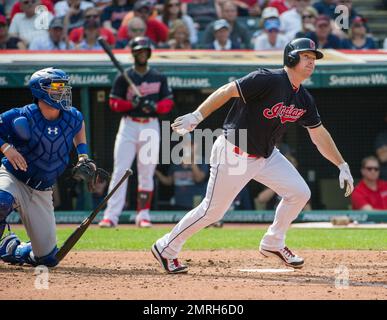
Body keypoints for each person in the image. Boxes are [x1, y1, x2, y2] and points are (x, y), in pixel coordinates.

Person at [151, 38, 354, 273]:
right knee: (212, 211)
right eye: (306, 56)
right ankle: (166, 247)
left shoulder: (304, 98)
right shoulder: (268, 78)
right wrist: (197, 116)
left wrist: (341, 164)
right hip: (234, 152)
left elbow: (318, 134)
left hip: (266, 156)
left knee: (299, 192)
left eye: (313, 58)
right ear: (291, 58)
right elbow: (228, 90)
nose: (311, 62)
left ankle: (273, 242)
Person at [0, 67, 100, 267]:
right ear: (40, 91)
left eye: (63, 86)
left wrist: (83, 155)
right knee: (2, 200)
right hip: (14, 177)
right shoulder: (22, 115)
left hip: (42, 190)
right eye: (56, 87)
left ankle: (12, 249)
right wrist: (6, 148)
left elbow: (78, 125)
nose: (62, 92)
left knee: (47, 259)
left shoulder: (72, 116)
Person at [99, 37, 174, 229]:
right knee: (120, 171)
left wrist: (154, 106)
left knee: (147, 172)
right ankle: (111, 216)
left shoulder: (158, 76)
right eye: (138, 51)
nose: (142, 54)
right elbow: (114, 103)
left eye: (145, 51)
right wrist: (132, 104)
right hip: (129, 125)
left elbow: (168, 103)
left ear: (149, 53)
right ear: (133, 54)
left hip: (150, 125)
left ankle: (143, 215)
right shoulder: (124, 76)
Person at [155, 140, 209, 210]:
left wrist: (191, 161)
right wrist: (156, 172)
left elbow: (199, 179)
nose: (189, 148)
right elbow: (169, 181)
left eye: (192, 145)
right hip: (179, 204)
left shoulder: (201, 161)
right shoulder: (176, 163)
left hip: (196, 206)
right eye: (187, 145)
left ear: (196, 147)